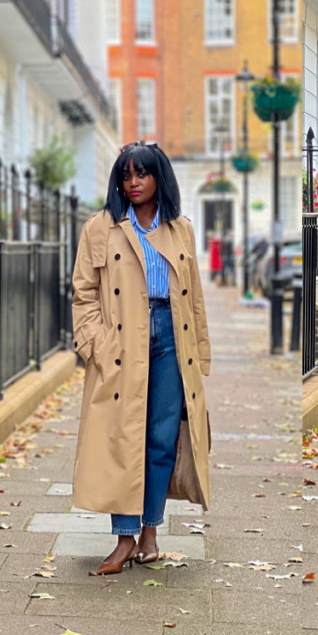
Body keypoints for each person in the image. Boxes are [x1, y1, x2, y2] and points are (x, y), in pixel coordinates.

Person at [71, 141, 212, 576]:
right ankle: (124, 539)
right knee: (123, 437)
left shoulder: (180, 228)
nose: (133, 183)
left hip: (172, 335)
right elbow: (83, 294)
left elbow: (195, 297)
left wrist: (201, 352)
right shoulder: (101, 227)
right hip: (122, 340)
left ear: (158, 178)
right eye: (126, 175)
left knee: (161, 437)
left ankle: (150, 533)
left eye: (142, 174)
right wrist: (96, 342)